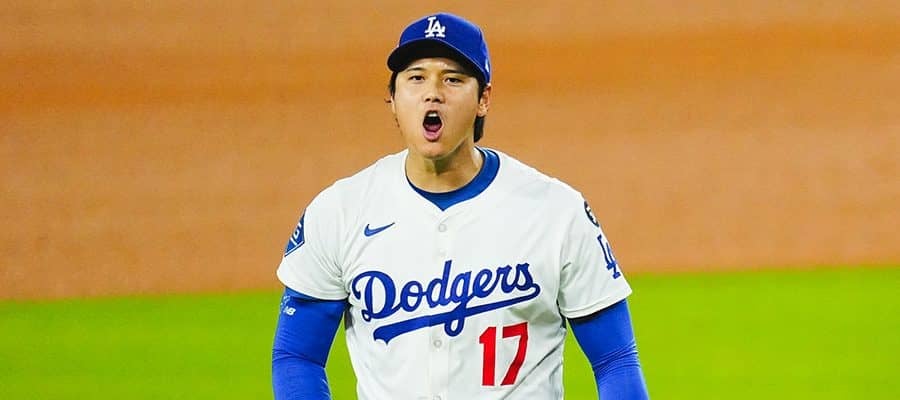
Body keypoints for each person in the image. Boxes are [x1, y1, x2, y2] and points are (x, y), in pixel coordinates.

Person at [272, 12, 650, 400]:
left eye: (452, 79)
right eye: (416, 78)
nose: (432, 93)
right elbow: (298, 356)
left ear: (483, 99)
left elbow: (615, 360)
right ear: (393, 99)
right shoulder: (340, 212)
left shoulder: (556, 213)